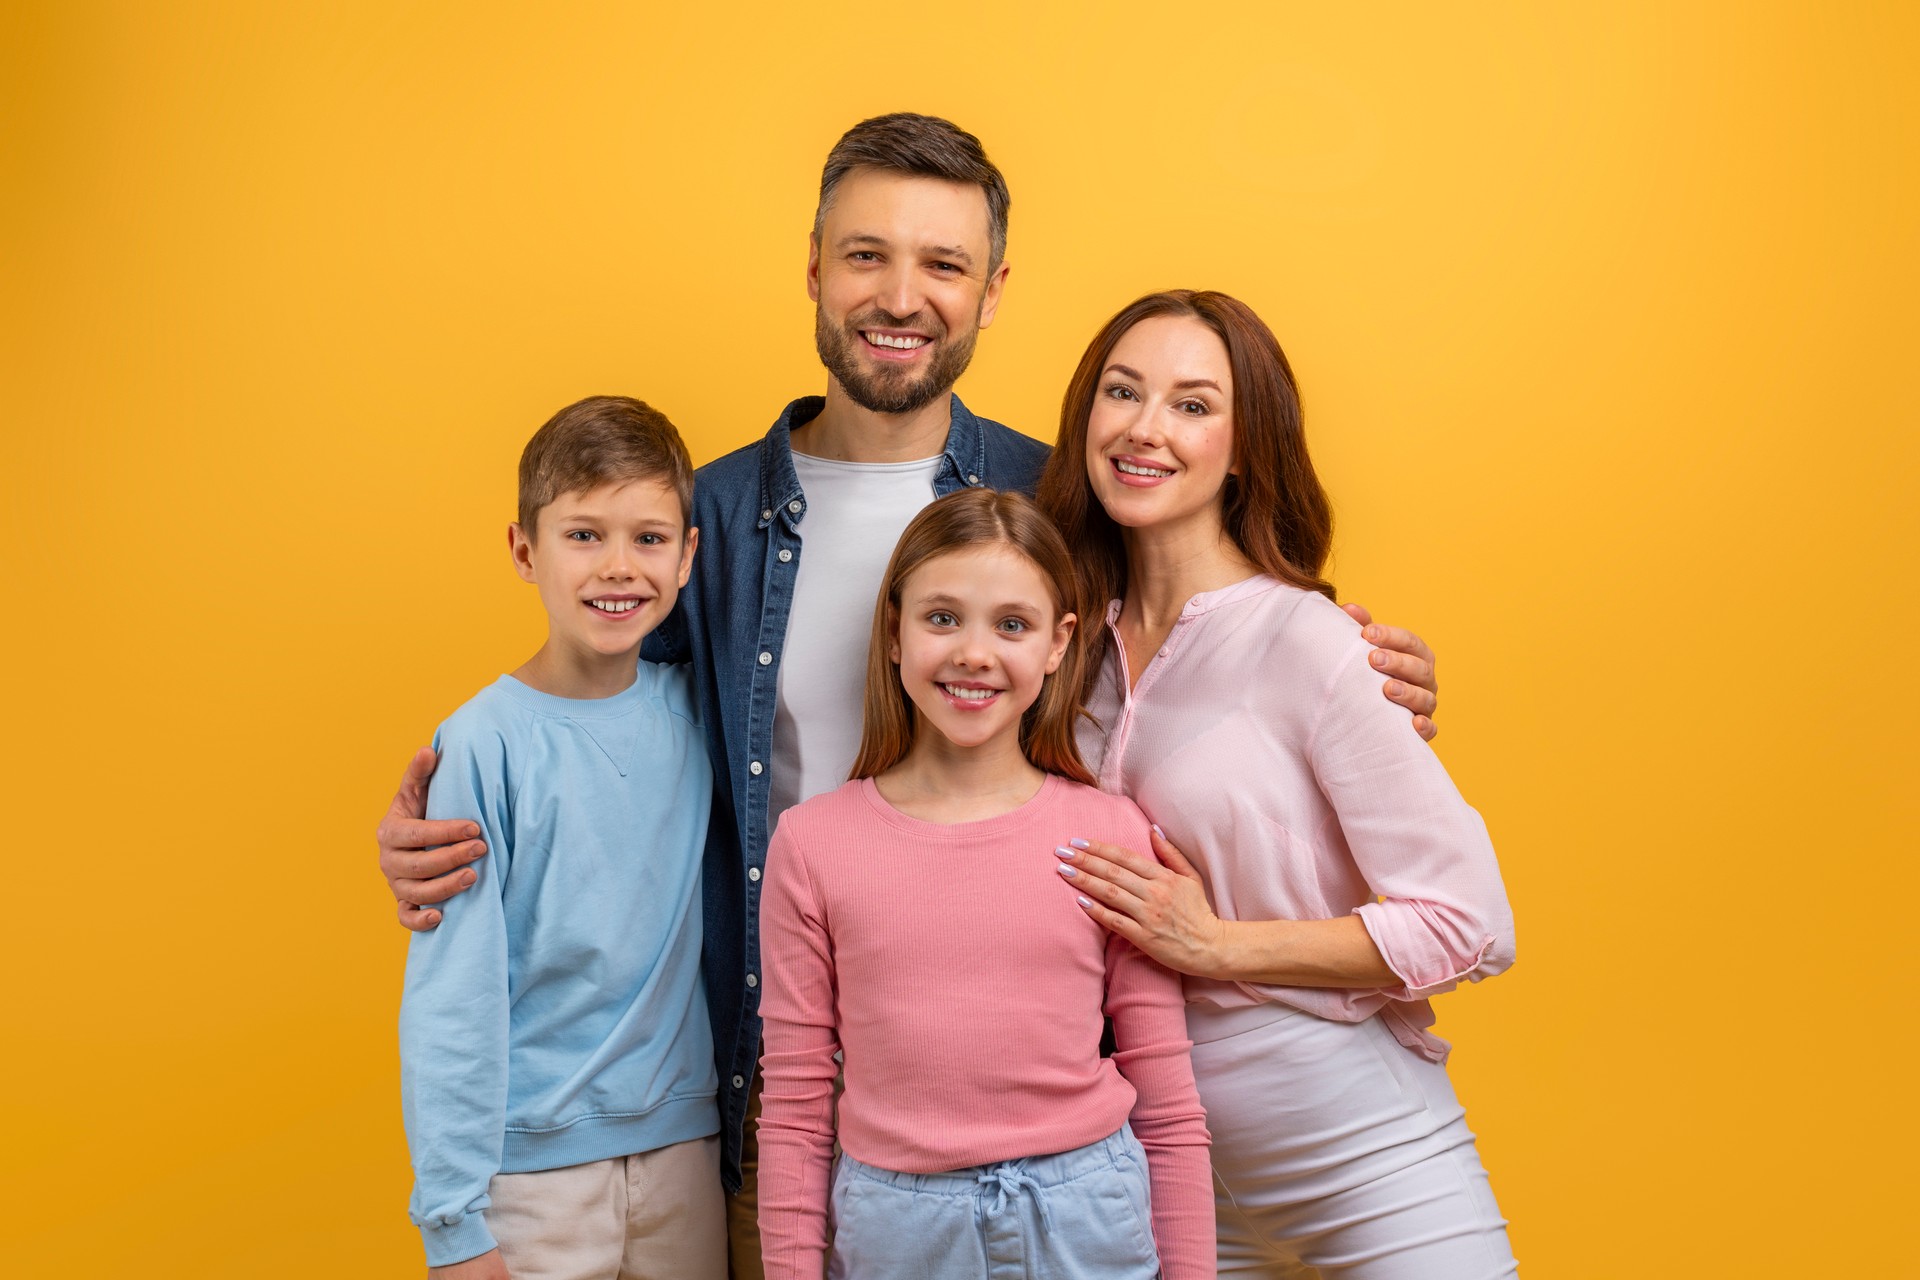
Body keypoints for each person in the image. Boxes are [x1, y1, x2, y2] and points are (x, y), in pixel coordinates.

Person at [375, 115, 1441, 1278]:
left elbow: (1203, 637)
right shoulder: (706, 523)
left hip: (1036, 1116)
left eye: (943, 263)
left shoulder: (1062, 499)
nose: (902, 294)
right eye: (866, 253)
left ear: (991, 292)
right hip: (770, 1095)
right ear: (816, 269)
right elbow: (601, 727)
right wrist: (454, 831)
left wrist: (1351, 664)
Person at [1038, 291, 1518, 1277]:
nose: (1144, 427)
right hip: (1173, 1183)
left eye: (1191, 404)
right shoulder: (1062, 647)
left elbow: (1473, 921)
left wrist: (1216, 943)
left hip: (1370, 1166)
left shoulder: (1312, 641)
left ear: (1248, 445)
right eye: (1122, 391)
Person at [757, 487, 1213, 1280]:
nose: (974, 653)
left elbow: (1168, 1104)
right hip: (896, 1226)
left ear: (1058, 643)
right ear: (893, 632)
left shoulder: (1109, 834)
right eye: (941, 618)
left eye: (1012, 624)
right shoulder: (814, 844)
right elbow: (795, 1112)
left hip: (1088, 1212)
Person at [399, 396, 725, 1279]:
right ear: (523, 551)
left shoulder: (706, 712)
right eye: (584, 535)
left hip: (685, 1153)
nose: (619, 567)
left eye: (650, 539)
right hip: (529, 1179)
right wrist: (453, 1221)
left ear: (689, 556)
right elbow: (452, 996)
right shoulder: (483, 742)